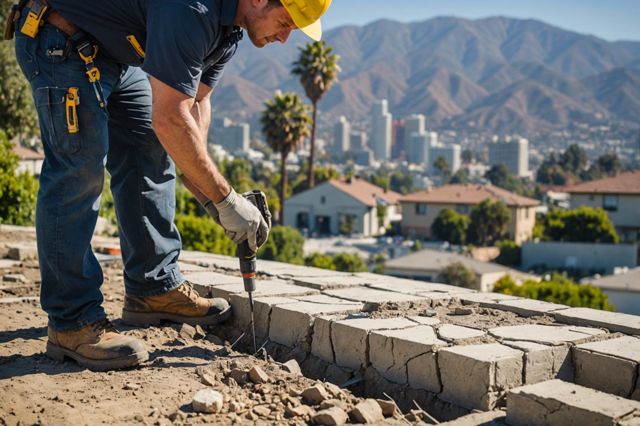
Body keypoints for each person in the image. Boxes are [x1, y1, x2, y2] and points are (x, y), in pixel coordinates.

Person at [8, 0, 332, 371]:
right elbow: (171, 119)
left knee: (149, 147)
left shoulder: (231, 30)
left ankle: (153, 288)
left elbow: (193, 108)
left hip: (115, 53)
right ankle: (72, 321)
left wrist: (214, 198)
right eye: (287, 22)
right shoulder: (193, 9)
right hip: (59, 36)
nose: (286, 37)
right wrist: (226, 199)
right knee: (77, 170)